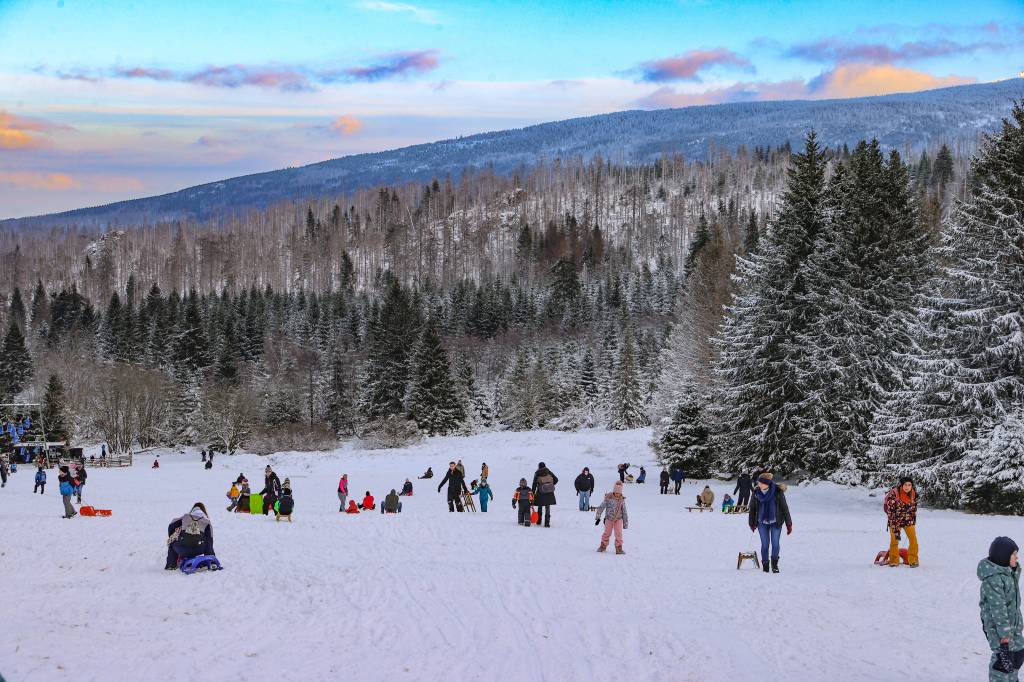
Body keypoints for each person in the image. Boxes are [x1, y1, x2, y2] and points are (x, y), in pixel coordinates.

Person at [979, 536, 1024, 681]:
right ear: (1003, 557)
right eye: (1014, 555)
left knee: (1016, 656)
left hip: (1013, 627)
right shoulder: (993, 579)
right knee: (1003, 662)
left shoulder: (1008, 573)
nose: (1017, 558)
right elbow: (998, 609)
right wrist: (1004, 637)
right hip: (999, 630)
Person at [747, 473, 793, 574]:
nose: (758, 484)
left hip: (776, 522)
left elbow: (785, 508)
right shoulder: (756, 492)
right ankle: (765, 565)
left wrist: (788, 524)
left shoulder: (777, 492)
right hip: (762, 522)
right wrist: (751, 523)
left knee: (775, 544)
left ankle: (774, 564)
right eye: (758, 482)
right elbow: (752, 508)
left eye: (761, 482)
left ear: (766, 483)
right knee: (765, 544)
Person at [165, 503, 215, 570]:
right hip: (198, 549)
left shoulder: (186, 517)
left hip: (181, 549)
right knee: (206, 542)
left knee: (172, 542)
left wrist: (172, 535)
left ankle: (171, 565)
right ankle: (210, 562)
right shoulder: (206, 522)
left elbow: (172, 525)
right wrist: (212, 559)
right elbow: (210, 541)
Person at [884, 476, 919, 567]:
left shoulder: (913, 494)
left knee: (913, 540)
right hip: (895, 521)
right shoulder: (894, 494)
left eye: (909, 485)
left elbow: (914, 509)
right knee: (894, 541)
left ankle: (913, 560)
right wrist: (894, 524)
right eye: (905, 485)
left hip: (908, 520)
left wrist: (913, 519)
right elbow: (890, 511)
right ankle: (894, 561)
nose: (907, 487)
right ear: (901, 485)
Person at [595, 480, 629, 554]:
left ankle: (619, 548)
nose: (617, 494)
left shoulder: (622, 500)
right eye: (616, 493)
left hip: (618, 519)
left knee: (618, 533)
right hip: (609, 519)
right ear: (614, 492)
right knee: (607, 533)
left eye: (619, 493)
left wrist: (625, 523)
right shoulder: (608, 498)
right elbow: (601, 507)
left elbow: (624, 512)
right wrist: (598, 516)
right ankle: (603, 546)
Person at [532, 462, 558, 528]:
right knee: (547, 507)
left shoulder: (537, 473)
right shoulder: (548, 471)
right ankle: (547, 523)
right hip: (549, 492)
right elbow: (556, 480)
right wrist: (550, 485)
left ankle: (539, 521)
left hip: (540, 492)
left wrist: (533, 493)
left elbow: (534, 484)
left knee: (540, 506)